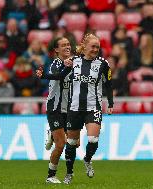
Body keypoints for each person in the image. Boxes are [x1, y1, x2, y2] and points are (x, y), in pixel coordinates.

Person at [62, 33, 114, 184]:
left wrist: (110, 103)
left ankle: (87, 159)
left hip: (93, 107)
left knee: (93, 139)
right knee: (71, 143)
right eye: (93, 46)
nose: (96, 49)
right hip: (74, 108)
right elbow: (60, 77)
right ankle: (69, 173)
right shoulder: (73, 61)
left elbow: (109, 84)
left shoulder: (103, 64)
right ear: (84, 47)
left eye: (98, 47)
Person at [36, 37, 73, 184]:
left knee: (74, 143)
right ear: (56, 50)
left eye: (68, 44)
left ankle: (52, 133)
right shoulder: (55, 65)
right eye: (63, 45)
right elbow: (59, 75)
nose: (67, 47)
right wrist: (44, 75)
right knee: (61, 144)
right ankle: (50, 176)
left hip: (69, 109)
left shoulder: (74, 63)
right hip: (55, 108)